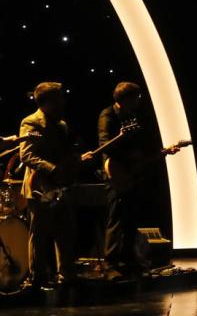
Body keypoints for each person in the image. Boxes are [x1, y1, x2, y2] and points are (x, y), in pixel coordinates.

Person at [19, 81, 91, 288]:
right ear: (45, 102)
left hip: (62, 187)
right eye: (58, 98)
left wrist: (77, 160)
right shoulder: (31, 123)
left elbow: (65, 154)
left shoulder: (62, 125)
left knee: (66, 232)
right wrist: (54, 170)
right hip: (40, 186)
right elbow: (27, 155)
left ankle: (67, 275)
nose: (63, 102)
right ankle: (38, 278)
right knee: (39, 235)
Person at [98, 81, 160, 278]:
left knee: (130, 219)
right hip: (115, 173)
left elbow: (138, 147)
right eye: (136, 97)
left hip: (131, 173)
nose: (139, 101)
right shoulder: (108, 115)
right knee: (116, 219)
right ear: (125, 99)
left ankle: (128, 261)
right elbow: (105, 145)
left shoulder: (132, 116)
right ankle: (110, 264)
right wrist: (124, 143)